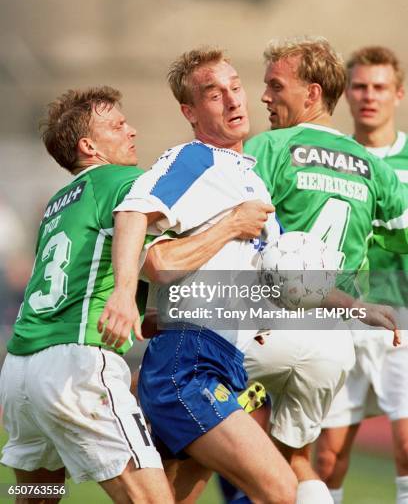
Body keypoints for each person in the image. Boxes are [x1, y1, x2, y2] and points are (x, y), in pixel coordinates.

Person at [110, 47, 298, 504]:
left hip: (222, 362)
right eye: (215, 95)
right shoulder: (195, 159)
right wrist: (121, 294)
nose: (234, 101)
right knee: (281, 490)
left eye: (235, 88)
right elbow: (136, 218)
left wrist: (359, 308)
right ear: (190, 112)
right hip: (189, 365)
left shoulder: (248, 176)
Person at [244, 37, 408, 504]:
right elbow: (401, 236)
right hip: (336, 337)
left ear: (312, 93)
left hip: (270, 329)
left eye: (275, 86)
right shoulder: (374, 170)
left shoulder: (271, 148)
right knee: (297, 461)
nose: (264, 96)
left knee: (185, 442)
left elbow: (233, 224)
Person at [0, 86, 173, 503]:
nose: (131, 130)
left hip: (19, 376)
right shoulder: (123, 179)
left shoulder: (58, 202)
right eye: (117, 125)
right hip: (76, 367)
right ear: (89, 146)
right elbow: (153, 244)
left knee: (34, 495)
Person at [316, 46, 408, 504]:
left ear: (399, 93)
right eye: (359, 86)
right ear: (345, 94)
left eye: (379, 87)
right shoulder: (326, 158)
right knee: (328, 457)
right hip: (340, 321)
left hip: (401, 322)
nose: (369, 96)